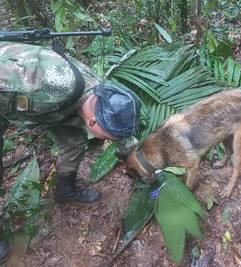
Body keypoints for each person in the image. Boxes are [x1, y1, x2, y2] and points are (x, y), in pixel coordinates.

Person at [0, 41, 141, 264]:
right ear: (93, 121)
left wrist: (143, 162)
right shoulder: (48, 86)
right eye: (109, 137)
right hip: (8, 96)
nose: (110, 141)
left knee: (74, 143)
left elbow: (123, 137)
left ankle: (65, 191)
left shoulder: (100, 96)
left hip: (50, 110)